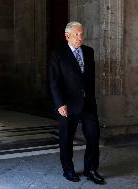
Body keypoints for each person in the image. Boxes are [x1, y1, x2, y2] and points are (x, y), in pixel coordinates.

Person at [49, 21, 105, 185]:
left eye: (81, 34)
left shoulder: (89, 52)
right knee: (66, 139)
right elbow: (54, 81)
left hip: (88, 104)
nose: (80, 37)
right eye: (76, 34)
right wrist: (60, 104)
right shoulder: (57, 54)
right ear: (67, 36)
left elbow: (89, 80)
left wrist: (92, 99)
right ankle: (68, 169)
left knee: (94, 136)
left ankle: (91, 169)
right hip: (67, 105)